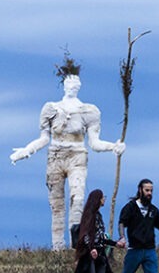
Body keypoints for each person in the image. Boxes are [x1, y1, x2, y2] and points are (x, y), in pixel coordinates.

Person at [10, 60, 125, 251]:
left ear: (80, 86)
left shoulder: (90, 111)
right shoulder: (51, 109)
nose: (73, 87)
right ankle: (57, 248)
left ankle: (76, 245)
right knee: (56, 205)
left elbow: (95, 143)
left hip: (77, 156)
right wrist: (26, 151)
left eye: (76, 84)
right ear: (64, 84)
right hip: (55, 156)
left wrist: (113, 146)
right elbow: (43, 138)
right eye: (69, 83)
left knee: (78, 198)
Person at [110, 179, 159, 273]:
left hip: (150, 250)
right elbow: (122, 223)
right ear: (140, 190)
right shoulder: (130, 207)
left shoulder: (153, 210)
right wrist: (122, 237)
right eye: (147, 190)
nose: (149, 193)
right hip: (134, 250)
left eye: (151, 191)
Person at [70, 188, 121, 273]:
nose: (104, 199)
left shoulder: (99, 216)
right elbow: (85, 235)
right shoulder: (89, 216)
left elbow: (100, 237)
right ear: (98, 200)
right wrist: (91, 248)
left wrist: (115, 244)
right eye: (103, 197)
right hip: (90, 255)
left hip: (100, 254)